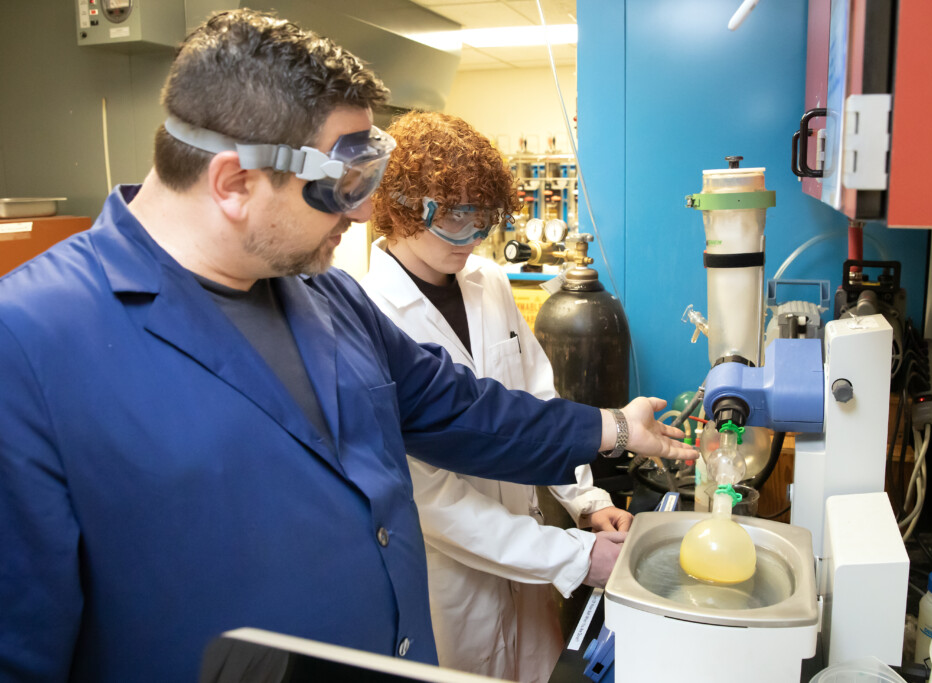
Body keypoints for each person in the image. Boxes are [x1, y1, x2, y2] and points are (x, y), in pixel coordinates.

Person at [0, 10, 693, 683]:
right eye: (343, 183)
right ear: (235, 183)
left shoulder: (324, 294)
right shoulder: (32, 342)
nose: (365, 211)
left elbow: (460, 410)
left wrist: (614, 427)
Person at [361, 111, 633, 682]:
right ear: (403, 204)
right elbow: (429, 498)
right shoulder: (369, 311)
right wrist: (573, 558)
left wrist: (587, 503)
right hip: (451, 580)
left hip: (531, 564)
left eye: (481, 216)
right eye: (456, 215)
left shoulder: (489, 282)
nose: (472, 235)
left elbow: (534, 402)